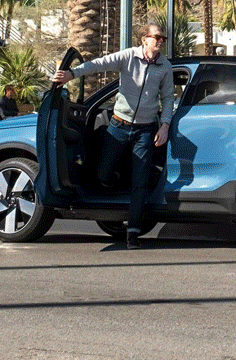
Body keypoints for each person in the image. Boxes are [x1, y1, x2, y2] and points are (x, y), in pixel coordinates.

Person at [51, 23, 174, 249]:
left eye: (162, 38)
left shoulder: (164, 67)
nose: (160, 41)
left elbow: (167, 99)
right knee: (102, 172)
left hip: (145, 131)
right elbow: (99, 64)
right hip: (118, 125)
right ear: (144, 38)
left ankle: (133, 233)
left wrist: (164, 125)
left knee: (140, 184)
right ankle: (114, 178)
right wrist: (71, 74)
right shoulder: (128, 57)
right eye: (156, 37)